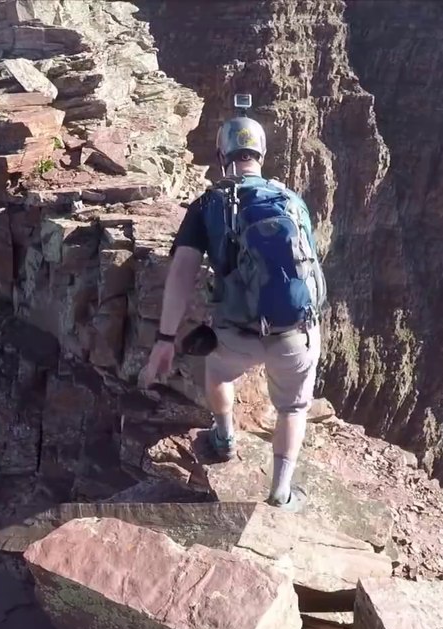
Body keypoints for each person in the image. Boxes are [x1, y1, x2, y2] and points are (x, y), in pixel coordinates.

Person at [139, 113, 327, 511]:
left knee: (219, 372)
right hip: (296, 331)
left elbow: (182, 274)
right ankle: (281, 492)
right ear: (261, 154)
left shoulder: (208, 204)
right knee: (293, 408)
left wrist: (165, 339)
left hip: (237, 331)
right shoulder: (292, 201)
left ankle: (223, 437)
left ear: (222, 155)